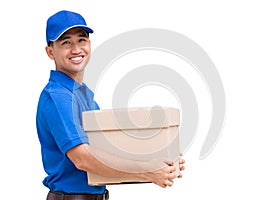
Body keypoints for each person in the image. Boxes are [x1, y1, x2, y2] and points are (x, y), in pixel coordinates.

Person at [36, 10, 185, 200]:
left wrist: (162, 161)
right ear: (50, 51)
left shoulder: (84, 96)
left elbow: (105, 154)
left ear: (89, 44)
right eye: (66, 42)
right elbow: (83, 159)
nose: (76, 49)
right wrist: (147, 170)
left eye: (82, 40)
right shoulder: (58, 97)